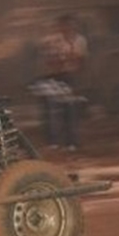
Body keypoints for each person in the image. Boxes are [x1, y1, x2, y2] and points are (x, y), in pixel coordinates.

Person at [34, 14, 89, 151]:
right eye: (64, 25)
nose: (68, 28)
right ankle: (53, 142)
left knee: (70, 110)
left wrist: (68, 61)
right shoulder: (53, 41)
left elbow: (80, 59)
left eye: (71, 25)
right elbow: (51, 59)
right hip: (54, 77)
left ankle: (71, 142)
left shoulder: (79, 40)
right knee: (52, 111)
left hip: (71, 77)